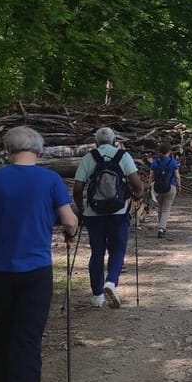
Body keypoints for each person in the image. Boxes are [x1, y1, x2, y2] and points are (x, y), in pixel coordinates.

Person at [0, 126, 78, 382]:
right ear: (39, 150)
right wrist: (71, 230)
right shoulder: (50, 179)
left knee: (3, 324)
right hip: (34, 267)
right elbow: (69, 220)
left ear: (9, 149)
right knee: (27, 331)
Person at [73, 127, 143, 308]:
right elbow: (137, 184)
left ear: (96, 142)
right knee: (117, 249)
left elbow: (78, 188)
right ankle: (111, 282)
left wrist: (81, 209)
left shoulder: (89, 158)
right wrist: (136, 196)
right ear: (114, 141)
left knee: (97, 252)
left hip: (93, 214)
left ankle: (97, 296)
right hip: (119, 212)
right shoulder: (123, 156)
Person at [148, 141, 182, 238]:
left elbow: (151, 176)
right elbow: (177, 176)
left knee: (160, 208)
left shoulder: (155, 162)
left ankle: (161, 227)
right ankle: (162, 229)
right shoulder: (173, 162)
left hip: (158, 188)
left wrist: (150, 186)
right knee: (166, 209)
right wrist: (179, 186)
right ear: (169, 151)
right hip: (170, 187)